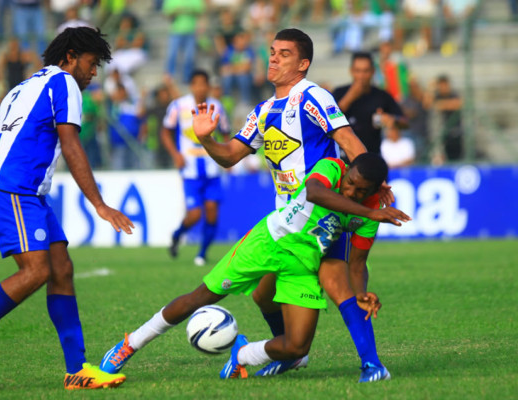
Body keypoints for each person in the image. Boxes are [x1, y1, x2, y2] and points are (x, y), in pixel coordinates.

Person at [170, 28, 396, 379]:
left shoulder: (313, 95)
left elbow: (347, 138)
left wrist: (374, 182)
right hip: (286, 224)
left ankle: (372, 365)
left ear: (303, 63)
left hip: (323, 210)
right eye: (272, 51)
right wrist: (207, 139)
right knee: (263, 296)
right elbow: (230, 156)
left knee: (338, 284)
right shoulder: (264, 110)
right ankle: (288, 352)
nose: (273, 57)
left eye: (283, 53)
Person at [0, 27, 134, 390]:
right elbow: (71, 144)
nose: (93, 73)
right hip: (15, 188)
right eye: (91, 64)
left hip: (21, 191)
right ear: (71, 56)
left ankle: (77, 369)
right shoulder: (64, 84)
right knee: (36, 271)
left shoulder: (24, 88)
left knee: (61, 270)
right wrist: (100, 204)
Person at [99, 153, 410, 382]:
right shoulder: (332, 167)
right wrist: (370, 214)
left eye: (361, 191)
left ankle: (243, 354)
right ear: (348, 170)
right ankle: (130, 344)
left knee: (297, 346)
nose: (351, 191)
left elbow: (357, 264)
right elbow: (315, 193)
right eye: (350, 183)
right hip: (267, 243)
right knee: (200, 298)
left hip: (302, 266)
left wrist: (362, 293)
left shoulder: (371, 214)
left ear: (374, 192)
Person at [161, 69, 231, 266]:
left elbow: (226, 133)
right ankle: (177, 235)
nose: (200, 88)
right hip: (190, 171)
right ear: (191, 86)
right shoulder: (178, 106)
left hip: (212, 169)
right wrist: (176, 154)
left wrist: (228, 156)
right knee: (194, 215)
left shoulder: (217, 107)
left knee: (211, 212)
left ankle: (201, 253)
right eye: (196, 84)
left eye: (204, 84)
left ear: (208, 86)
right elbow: (165, 132)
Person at [333, 51, 408, 158]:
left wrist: (391, 120)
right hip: (343, 158)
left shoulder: (381, 95)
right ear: (351, 71)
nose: (362, 76)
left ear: (373, 71)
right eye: (358, 71)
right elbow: (327, 120)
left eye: (366, 71)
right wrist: (349, 98)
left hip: (372, 157)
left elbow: (405, 122)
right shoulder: (339, 92)